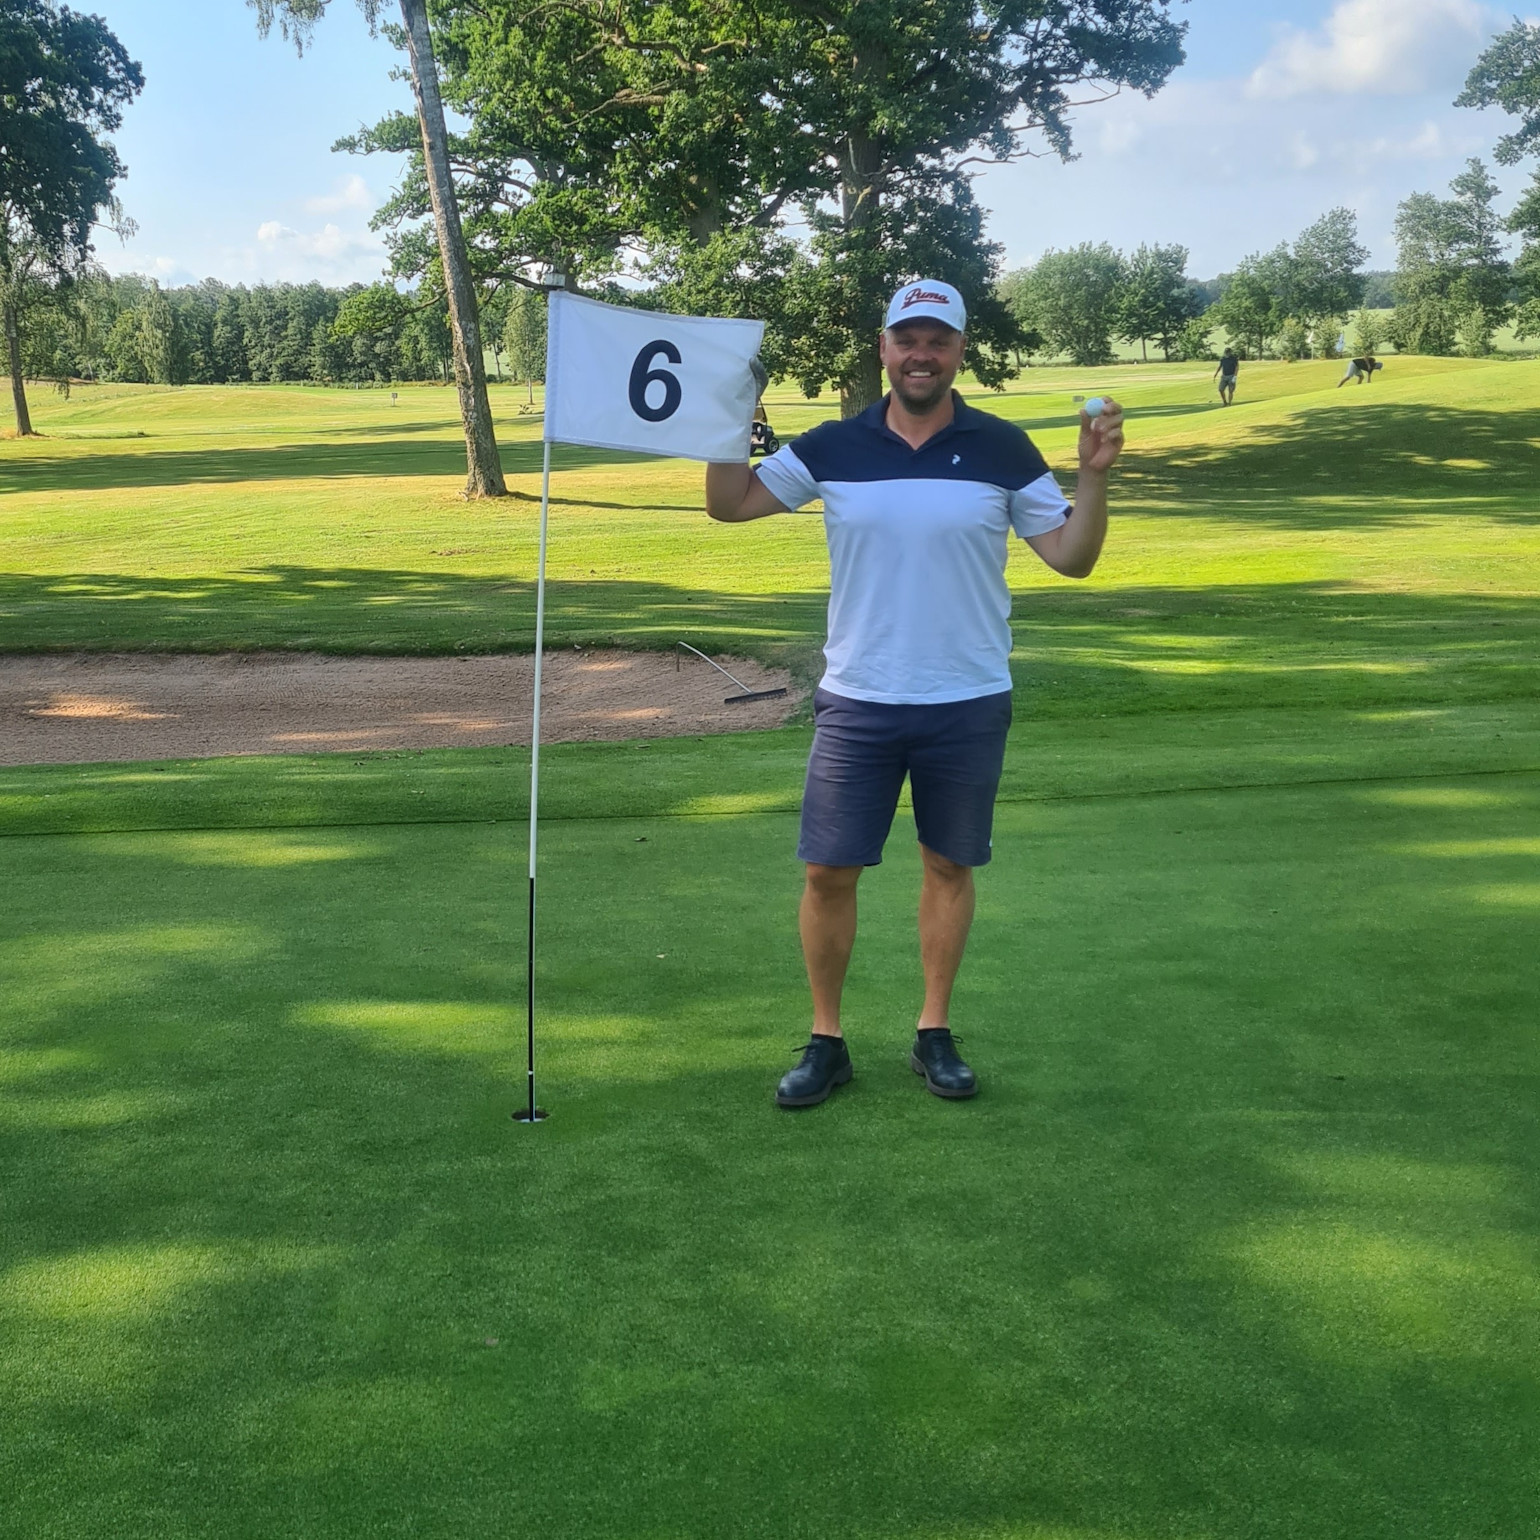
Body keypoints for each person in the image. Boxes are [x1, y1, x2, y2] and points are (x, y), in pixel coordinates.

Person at [704, 279, 1126, 1109]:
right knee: (828, 871)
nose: (921, 353)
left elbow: (1072, 557)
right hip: (859, 697)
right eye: (907, 338)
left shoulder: (1005, 449)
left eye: (937, 339)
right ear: (884, 347)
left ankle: (933, 1031)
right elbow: (730, 504)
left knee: (947, 863)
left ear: (959, 349)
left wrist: (1093, 476)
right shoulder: (834, 445)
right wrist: (723, 422)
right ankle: (827, 1040)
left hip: (966, 697)